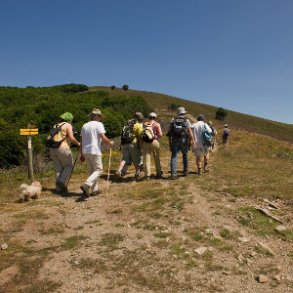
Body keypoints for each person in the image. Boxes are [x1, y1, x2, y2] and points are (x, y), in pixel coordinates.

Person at [80, 108, 114, 198]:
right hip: (95, 150)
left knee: (91, 171)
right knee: (99, 170)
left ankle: (95, 190)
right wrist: (109, 142)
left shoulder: (84, 125)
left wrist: (81, 153)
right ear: (98, 116)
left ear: (91, 116)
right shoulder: (99, 124)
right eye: (99, 116)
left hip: (85, 150)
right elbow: (102, 136)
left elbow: (81, 140)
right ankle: (87, 185)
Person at [49, 112, 80, 193]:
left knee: (58, 168)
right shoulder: (68, 125)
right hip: (63, 148)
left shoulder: (55, 125)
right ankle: (62, 182)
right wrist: (78, 144)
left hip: (52, 148)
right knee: (69, 165)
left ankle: (58, 189)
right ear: (70, 119)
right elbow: (71, 138)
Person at [116, 112, 144, 180]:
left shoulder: (127, 124)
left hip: (125, 144)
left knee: (124, 159)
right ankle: (137, 173)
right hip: (133, 144)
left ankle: (119, 171)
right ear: (139, 118)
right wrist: (141, 147)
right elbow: (141, 136)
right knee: (136, 160)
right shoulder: (137, 125)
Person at [167, 107, 192, 179]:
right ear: (184, 113)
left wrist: (170, 143)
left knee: (174, 156)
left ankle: (173, 174)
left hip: (174, 140)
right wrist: (190, 140)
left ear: (177, 113)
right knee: (185, 155)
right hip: (184, 140)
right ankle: (185, 171)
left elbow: (169, 133)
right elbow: (190, 131)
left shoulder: (173, 120)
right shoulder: (186, 120)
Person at [142, 112, 163, 180]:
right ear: (155, 117)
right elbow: (160, 134)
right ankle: (159, 173)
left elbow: (142, 134)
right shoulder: (157, 124)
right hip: (154, 141)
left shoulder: (145, 124)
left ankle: (147, 175)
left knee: (147, 159)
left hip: (145, 142)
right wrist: (155, 136)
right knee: (157, 158)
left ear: (149, 117)